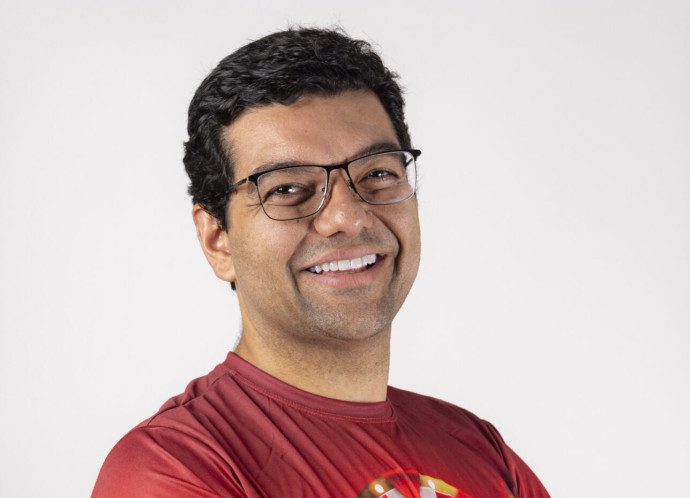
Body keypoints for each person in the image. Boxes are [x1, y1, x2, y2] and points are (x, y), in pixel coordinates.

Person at [93, 27, 550, 498]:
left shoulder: (480, 449)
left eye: (377, 173)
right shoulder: (173, 468)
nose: (348, 218)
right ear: (218, 241)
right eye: (288, 188)